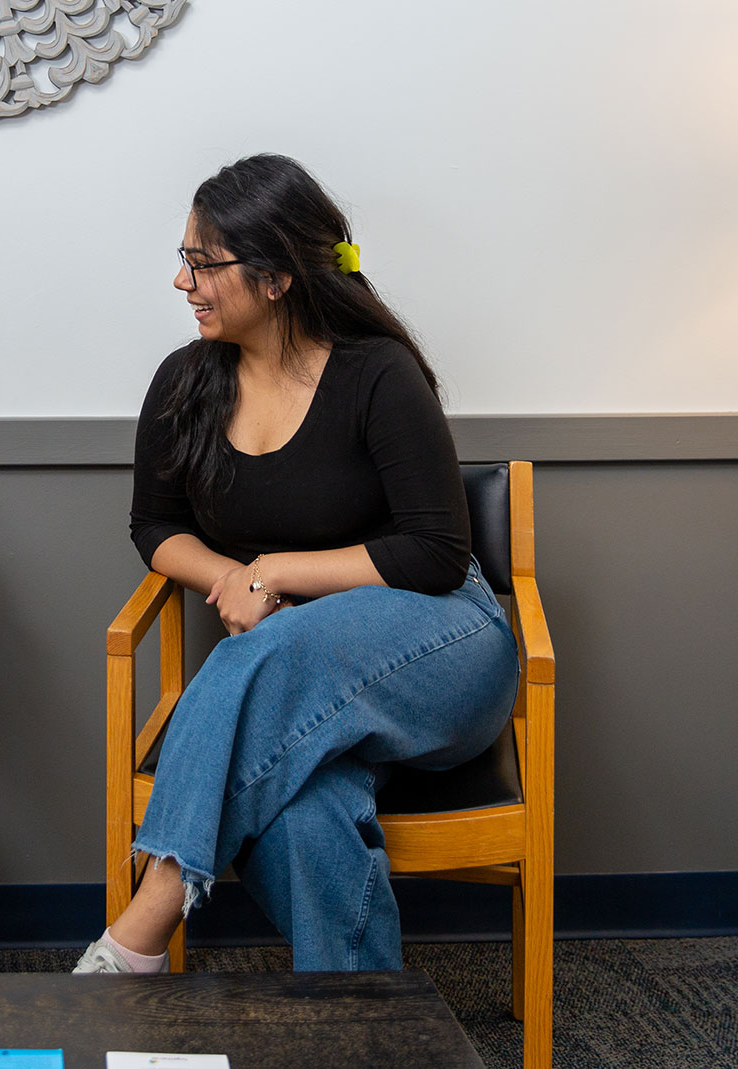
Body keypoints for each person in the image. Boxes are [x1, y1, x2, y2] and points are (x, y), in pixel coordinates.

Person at [78, 154, 519, 974]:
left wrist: (273, 570)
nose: (183, 281)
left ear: (276, 276)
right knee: (304, 810)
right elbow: (155, 524)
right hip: (306, 688)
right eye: (183, 259)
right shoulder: (184, 383)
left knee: (265, 654)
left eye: (203, 263)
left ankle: (138, 933)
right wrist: (228, 575)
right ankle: (365, 1031)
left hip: (445, 645)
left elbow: (432, 551)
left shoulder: (375, 373)